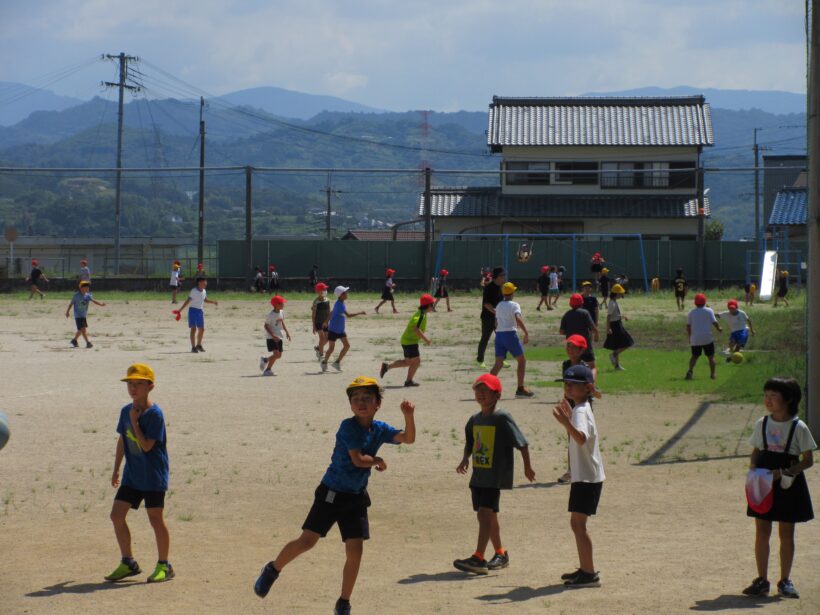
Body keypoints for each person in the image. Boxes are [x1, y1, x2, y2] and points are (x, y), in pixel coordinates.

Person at [253, 377, 416, 615]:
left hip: (356, 498)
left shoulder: (379, 429)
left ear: (378, 403)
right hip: (331, 493)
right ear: (350, 404)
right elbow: (358, 459)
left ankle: (343, 602)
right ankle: (272, 569)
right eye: (356, 399)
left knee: (355, 551)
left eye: (367, 398)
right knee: (307, 541)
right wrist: (378, 460)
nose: (361, 402)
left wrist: (408, 415)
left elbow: (408, 438)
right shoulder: (348, 426)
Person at [453, 373, 535, 575]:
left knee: (485, 514)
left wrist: (527, 467)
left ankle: (478, 558)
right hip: (479, 476)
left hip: (494, 476)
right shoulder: (474, 419)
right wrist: (465, 458)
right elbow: (470, 443)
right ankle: (500, 553)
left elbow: (521, 443)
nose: (481, 394)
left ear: (496, 395)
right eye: (477, 390)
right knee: (489, 516)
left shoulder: (502, 417)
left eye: (485, 390)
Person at [742, 377, 815, 599]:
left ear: (789, 399)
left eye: (773, 396)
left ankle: (785, 580)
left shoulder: (799, 427)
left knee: (786, 533)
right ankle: (762, 580)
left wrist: (785, 473)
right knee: (762, 531)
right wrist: (754, 469)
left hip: (788, 483)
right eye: (766, 395)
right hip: (763, 481)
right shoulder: (762, 423)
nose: (768, 400)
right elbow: (756, 450)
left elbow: (808, 460)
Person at [105, 363, 173, 584]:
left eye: (139, 384)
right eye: (130, 384)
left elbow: (145, 446)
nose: (133, 388)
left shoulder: (155, 414)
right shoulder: (126, 411)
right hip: (132, 476)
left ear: (150, 387)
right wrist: (116, 469)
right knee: (116, 516)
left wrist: (135, 422)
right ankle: (128, 562)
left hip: (153, 476)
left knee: (155, 519)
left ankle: (164, 565)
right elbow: (122, 440)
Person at [552, 364, 605, 587]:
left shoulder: (582, 411)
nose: (568, 388)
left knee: (578, 525)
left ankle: (589, 573)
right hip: (586, 476)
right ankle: (585, 569)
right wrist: (569, 418)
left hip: (586, 478)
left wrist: (566, 422)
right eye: (566, 384)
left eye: (573, 385)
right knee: (577, 524)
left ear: (587, 388)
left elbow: (581, 438)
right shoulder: (580, 408)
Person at [490, 283, 534, 398]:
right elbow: (518, 318)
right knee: (522, 361)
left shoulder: (499, 305)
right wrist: (526, 332)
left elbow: (496, 322)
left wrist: (499, 332)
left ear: (503, 293)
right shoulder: (515, 305)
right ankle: (520, 389)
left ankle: (488, 387)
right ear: (513, 293)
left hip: (499, 335)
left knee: (498, 363)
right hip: (510, 334)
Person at [380, 294, 434, 387]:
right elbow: (415, 329)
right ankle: (408, 381)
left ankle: (387, 367)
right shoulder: (421, 315)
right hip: (410, 342)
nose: (433, 307)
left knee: (408, 362)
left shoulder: (421, 313)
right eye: (432, 304)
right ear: (428, 306)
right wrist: (426, 340)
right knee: (416, 361)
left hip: (407, 340)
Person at [323, 286, 366, 373]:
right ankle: (324, 363)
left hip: (340, 329)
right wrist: (360, 312)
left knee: (347, 346)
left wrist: (326, 321)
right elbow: (348, 315)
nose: (347, 294)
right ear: (341, 295)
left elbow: (332, 312)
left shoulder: (340, 303)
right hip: (333, 329)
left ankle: (337, 362)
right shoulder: (339, 304)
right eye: (345, 293)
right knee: (331, 349)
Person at [559, 293, 599, 377]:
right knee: (592, 367)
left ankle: (575, 382)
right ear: (582, 303)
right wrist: (596, 334)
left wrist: (570, 331)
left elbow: (561, 331)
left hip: (572, 345)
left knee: (575, 364)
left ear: (570, 304)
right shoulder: (585, 313)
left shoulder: (567, 315)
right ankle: (591, 384)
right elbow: (592, 327)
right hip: (584, 345)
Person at [685, 293, 722, 380]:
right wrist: (719, 328)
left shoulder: (691, 312)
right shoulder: (709, 310)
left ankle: (690, 371)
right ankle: (713, 374)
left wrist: (690, 337)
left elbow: (688, 326)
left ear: (695, 303)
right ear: (705, 301)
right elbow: (714, 322)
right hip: (707, 338)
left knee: (694, 356)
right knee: (711, 357)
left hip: (695, 338)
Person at [177, 277, 218, 353]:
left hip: (200, 311)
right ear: (199, 282)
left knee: (202, 329)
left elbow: (205, 300)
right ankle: (193, 347)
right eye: (204, 282)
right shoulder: (194, 291)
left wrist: (213, 302)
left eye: (206, 282)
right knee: (193, 329)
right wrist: (180, 310)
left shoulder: (204, 291)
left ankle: (198, 345)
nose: (205, 283)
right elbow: (188, 301)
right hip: (193, 311)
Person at [476, 267, 505, 370]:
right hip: (487, 318)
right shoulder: (489, 288)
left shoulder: (502, 287)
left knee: (501, 339)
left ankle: (501, 359)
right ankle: (480, 360)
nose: (504, 277)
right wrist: (496, 312)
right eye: (502, 275)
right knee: (485, 338)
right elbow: (486, 304)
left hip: (498, 319)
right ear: (497, 276)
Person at [66, 280, 106, 348]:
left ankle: (74, 340)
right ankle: (88, 343)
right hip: (78, 316)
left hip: (83, 315)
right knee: (83, 329)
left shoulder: (87, 295)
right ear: (81, 288)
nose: (87, 288)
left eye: (88, 287)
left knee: (80, 330)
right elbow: (71, 304)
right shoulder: (76, 296)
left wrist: (101, 304)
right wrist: (67, 312)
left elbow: (94, 301)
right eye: (86, 287)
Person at [259, 296, 291, 377]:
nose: (283, 304)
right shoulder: (270, 315)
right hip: (271, 337)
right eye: (281, 303)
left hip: (279, 336)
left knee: (279, 355)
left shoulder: (281, 312)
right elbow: (266, 326)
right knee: (276, 354)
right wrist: (272, 335)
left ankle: (265, 360)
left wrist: (287, 332)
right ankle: (267, 370)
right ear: (276, 305)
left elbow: (282, 322)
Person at [603, 284, 632, 371]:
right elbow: (608, 316)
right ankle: (614, 354)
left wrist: (622, 316)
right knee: (628, 342)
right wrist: (608, 328)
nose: (621, 295)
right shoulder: (612, 303)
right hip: (615, 325)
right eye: (620, 293)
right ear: (616, 293)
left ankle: (617, 366)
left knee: (618, 344)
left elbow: (615, 315)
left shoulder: (614, 302)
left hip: (617, 323)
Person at [312, 282, 331, 360]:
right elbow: (313, 314)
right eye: (323, 289)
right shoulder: (316, 301)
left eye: (325, 289)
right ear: (318, 291)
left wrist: (327, 321)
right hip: (318, 322)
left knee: (328, 338)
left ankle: (318, 348)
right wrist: (313, 325)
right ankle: (321, 354)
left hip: (325, 322)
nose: (325, 291)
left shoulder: (327, 300)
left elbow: (329, 311)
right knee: (322, 337)